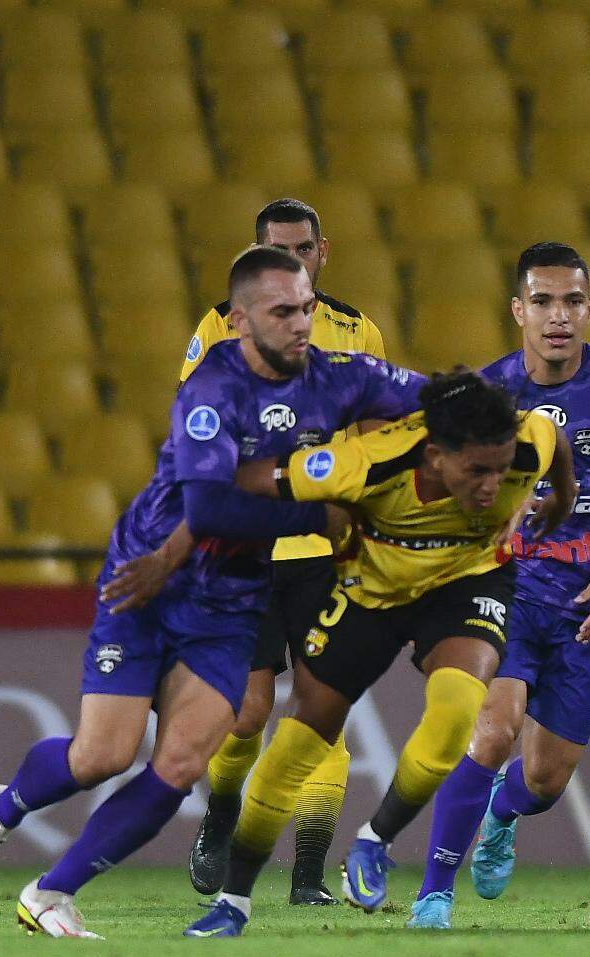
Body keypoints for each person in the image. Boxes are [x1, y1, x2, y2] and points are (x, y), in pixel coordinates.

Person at [0, 247, 427, 938]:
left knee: (183, 761)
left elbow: (435, 399)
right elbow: (214, 509)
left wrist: (515, 412)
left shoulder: (340, 378)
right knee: (101, 755)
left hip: (232, 598)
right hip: (152, 578)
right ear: (240, 321)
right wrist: (325, 515)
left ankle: (51, 893)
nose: (300, 325)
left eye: (307, 309)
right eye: (282, 312)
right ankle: (2, 808)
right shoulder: (212, 391)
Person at [184, 371, 576, 936]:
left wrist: (559, 500)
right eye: (477, 471)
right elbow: (250, 480)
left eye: (501, 468)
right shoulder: (367, 462)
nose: (494, 486)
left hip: (466, 583)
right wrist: (316, 516)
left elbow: (554, 441)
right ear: (436, 456)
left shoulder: (524, 442)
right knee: (300, 738)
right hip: (371, 594)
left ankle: (373, 843)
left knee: (457, 709)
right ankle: (233, 903)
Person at [407, 242, 590, 928]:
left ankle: (503, 812)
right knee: (492, 730)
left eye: (570, 302)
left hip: (588, 603)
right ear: (517, 311)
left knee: (543, 779)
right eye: (541, 301)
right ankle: (433, 894)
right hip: (507, 590)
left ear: (589, 309)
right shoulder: (490, 396)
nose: (556, 316)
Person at [176, 199, 390, 906]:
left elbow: (377, 435)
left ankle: (306, 874)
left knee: (323, 709)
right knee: (246, 713)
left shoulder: (359, 333)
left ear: (322, 252)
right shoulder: (218, 326)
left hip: (327, 548)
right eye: (278, 251)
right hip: (247, 545)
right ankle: (222, 811)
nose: (293, 263)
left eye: (303, 250)